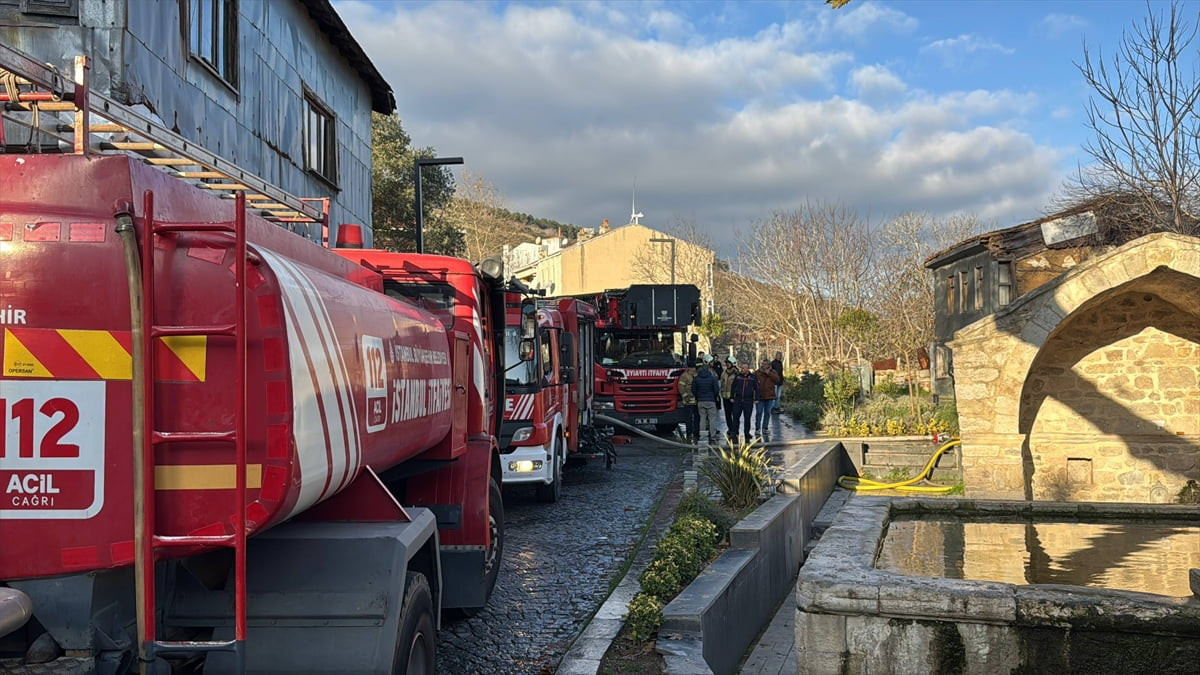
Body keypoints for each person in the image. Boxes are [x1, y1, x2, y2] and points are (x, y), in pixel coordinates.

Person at [692, 354, 721, 444]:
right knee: (712, 419)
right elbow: (716, 389)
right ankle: (712, 435)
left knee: (702, 418)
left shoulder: (696, 378)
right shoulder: (712, 378)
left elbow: (694, 390)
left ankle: (702, 435)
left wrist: (698, 396)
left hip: (701, 401)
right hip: (711, 400)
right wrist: (713, 396)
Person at [729, 361, 759, 444]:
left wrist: (756, 398)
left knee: (747, 418)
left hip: (748, 400)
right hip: (738, 399)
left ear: (747, 369)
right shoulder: (738, 377)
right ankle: (734, 433)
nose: (741, 369)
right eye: (741, 368)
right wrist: (732, 397)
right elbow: (733, 387)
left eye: (743, 368)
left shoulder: (753, 377)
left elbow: (757, 388)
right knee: (735, 417)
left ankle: (747, 433)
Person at [754, 359, 782, 436]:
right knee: (759, 413)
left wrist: (769, 373)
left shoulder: (773, 372)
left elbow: (777, 380)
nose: (763, 365)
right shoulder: (757, 373)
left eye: (765, 364)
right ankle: (757, 428)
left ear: (769, 365)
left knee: (767, 413)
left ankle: (765, 428)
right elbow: (753, 382)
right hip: (760, 396)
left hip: (769, 396)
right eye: (762, 364)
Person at [677, 358, 699, 443]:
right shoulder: (684, 376)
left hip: (696, 401)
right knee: (688, 419)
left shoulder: (696, 375)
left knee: (697, 418)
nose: (694, 369)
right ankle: (689, 433)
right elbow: (681, 387)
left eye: (694, 368)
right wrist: (685, 396)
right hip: (688, 401)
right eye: (693, 367)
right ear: (689, 368)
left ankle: (696, 433)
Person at [721, 356, 738, 439]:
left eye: (729, 363)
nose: (727, 364)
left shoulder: (736, 374)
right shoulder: (724, 373)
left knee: (735, 415)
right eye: (726, 363)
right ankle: (730, 429)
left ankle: (735, 430)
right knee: (727, 415)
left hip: (734, 398)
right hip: (725, 398)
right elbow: (721, 384)